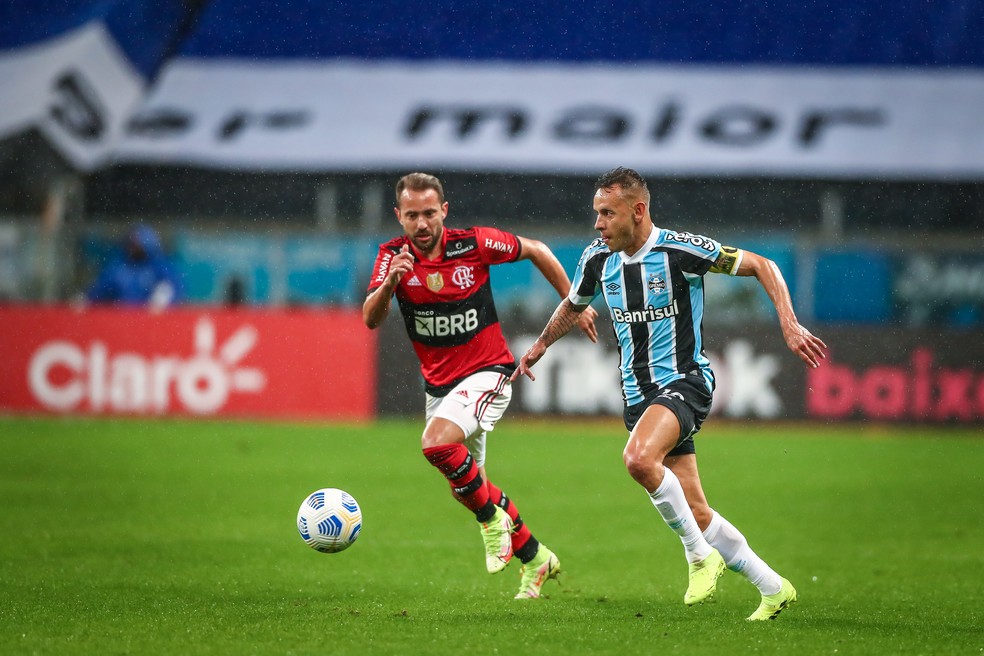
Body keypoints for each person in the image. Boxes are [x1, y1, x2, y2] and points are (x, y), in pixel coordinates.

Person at [512, 167, 827, 620]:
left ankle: (699, 558)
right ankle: (773, 587)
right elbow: (574, 304)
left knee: (639, 459)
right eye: (596, 213)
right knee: (696, 510)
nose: (598, 224)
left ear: (638, 211)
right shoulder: (597, 258)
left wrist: (789, 323)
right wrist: (541, 343)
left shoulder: (680, 250)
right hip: (638, 396)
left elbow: (763, 265)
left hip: (685, 383)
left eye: (607, 213)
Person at [363, 172, 598, 599]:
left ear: (444, 212)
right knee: (471, 486)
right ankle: (536, 558)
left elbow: (537, 250)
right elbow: (370, 318)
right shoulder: (391, 256)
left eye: (429, 213)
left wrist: (573, 303)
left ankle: (491, 523)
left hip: (489, 372)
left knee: (436, 446)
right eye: (412, 215)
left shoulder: (474, 243)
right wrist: (391, 284)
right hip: (441, 389)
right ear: (398, 216)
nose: (421, 224)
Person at [85, 224, 183, 310]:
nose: (132, 248)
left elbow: (175, 288)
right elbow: (98, 291)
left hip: (148, 319)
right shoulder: (118, 267)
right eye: (131, 243)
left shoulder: (159, 266)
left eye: (137, 244)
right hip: (121, 319)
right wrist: (85, 300)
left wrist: (161, 298)